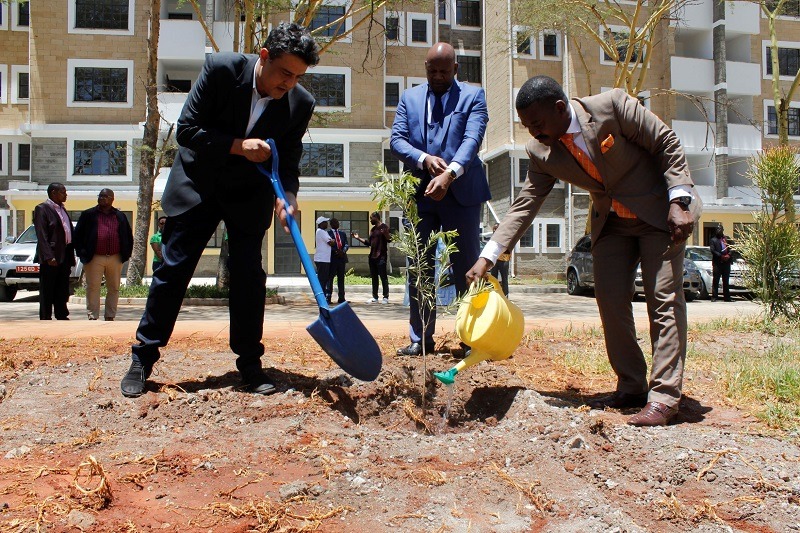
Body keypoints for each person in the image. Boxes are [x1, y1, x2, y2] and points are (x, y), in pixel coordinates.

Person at [467, 76, 700, 427]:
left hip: (660, 215)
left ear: (561, 108)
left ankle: (665, 397)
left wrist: (679, 199)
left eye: (538, 124)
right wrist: (488, 255)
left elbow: (665, 141)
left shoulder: (612, 107)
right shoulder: (541, 151)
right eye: (527, 126)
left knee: (662, 298)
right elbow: (525, 203)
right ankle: (632, 385)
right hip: (612, 224)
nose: (534, 133)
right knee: (608, 298)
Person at [120, 22, 320, 398]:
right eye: (284, 73)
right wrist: (239, 147)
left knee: (249, 276)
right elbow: (187, 131)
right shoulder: (220, 70)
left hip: (248, 194)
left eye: (297, 76)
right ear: (264, 57)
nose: (289, 84)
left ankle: (250, 365)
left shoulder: (300, 104)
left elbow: (289, 158)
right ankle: (143, 357)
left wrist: (288, 194)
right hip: (199, 183)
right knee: (174, 269)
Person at [390, 42, 490, 356]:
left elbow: (472, 139)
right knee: (419, 267)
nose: (437, 76)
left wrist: (450, 173)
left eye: (443, 71)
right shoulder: (409, 97)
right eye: (431, 71)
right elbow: (397, 140)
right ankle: (421, 340)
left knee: (467, 268)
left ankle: (473, 340)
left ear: (455, 69)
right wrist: (423, 160)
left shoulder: (474, 97)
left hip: (461, 196)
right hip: (421, 197)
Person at [73, 188, 134, 321]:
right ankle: (92, 316)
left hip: (115, 257)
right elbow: (77, 236)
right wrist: (82, 254)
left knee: (114, 288)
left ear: (112, 199)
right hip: (94, 257)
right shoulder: (88, 215)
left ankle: (110, 316)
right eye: (100, 196)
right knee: (93, 287)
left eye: (106, 196)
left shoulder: (120, 216)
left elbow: (128, 236)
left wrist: (125, 255)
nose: (102, 198)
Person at [33, 183, 75, 321]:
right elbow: (42, 235)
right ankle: (46, 316)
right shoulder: (42, 209)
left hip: (65, 255)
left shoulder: (63, 209)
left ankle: (61, 314)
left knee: (62, 288)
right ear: (53, 193)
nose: (66, 194)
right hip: (51, 256)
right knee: (47, 288)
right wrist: (48, 256)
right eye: (63, 192)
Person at [352, 211, 391, 304]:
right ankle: (375, 297)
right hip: (372, 257)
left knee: (383, 277)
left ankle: (385, 297)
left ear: (376, 217)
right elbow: (368, 243)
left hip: (381, 256)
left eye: (371, 218)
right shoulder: (373, 230)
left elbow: (389, 239)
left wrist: (385, 234)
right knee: (374, 277)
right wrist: (358, 238)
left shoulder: (384, 227)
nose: (370, 220)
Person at [327, 217, 349, 304]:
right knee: (330, 278)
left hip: (342, 258)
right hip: (332, 259)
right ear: (332, 224)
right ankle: (328, 297)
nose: (337, 224)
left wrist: (343, 251)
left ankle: (341, 298)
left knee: (341, 279)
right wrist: (336, 251)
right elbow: (328, 244)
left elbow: (346, 244)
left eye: (338, 222)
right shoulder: (328, 233)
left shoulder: (342, 233)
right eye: (335, 223)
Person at [709, 225, 732, 302]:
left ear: (723, 229)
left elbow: (732, 247)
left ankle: (727, 297)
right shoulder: (713, 240)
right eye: (717, 229)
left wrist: (728, 255)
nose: (718, 230)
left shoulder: (727, 239)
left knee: (726, 280)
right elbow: (712, 250)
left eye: (720, 229)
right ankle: (714, 297)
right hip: (717, 263)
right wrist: (721, 256)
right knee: (716, 280)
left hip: (726, 263)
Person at [314, 216, 333, 303]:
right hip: (322, 259)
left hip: (324, 259)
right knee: (322, 279)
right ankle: (321, 298)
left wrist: (332, 241)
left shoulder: (321, 232)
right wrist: (333, 241)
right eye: (325, 222)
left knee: (324, 279)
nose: (327, 224)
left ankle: (322, 297)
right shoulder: (321, 232)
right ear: (321, 224)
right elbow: (331, 242)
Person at [489, 223, 511, 296]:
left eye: (496, 229)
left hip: (504, 260)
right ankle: (494, 294)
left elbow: (508, 248)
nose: (495, 230)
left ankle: (505, 294)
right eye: (494, 229)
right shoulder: (492, 238)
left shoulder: (505, 237)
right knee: (493, 278)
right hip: (494, 261)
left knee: (504, 279)